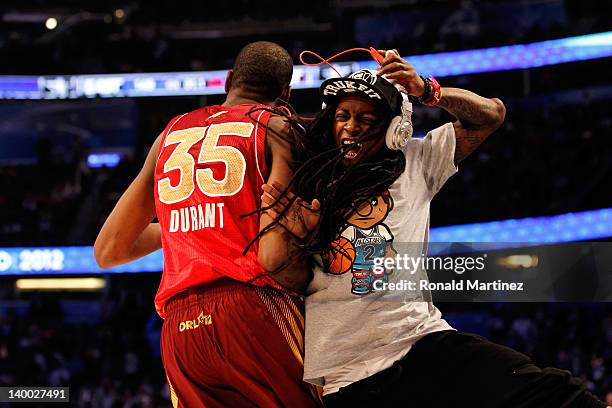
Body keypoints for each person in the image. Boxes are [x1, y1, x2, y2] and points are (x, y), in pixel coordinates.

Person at [262, 50, 609, 407]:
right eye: (343, 116)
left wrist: (429, 91)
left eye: (366, 118)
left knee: (554, 394)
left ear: (395, 129)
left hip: (420, 342)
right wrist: (300, 241)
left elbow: (491, 115)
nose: (351, 126)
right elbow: (292, 282)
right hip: (346, 373)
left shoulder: (416, 160)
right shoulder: (311, 184)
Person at [94, 41, 321, 407]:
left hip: (181, 331)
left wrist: (201, 233)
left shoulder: (171, 132)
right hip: (254, 308)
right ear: (286, 94)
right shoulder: (279, 126)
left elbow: (108, 251)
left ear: (228, 80)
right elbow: (273, 258)